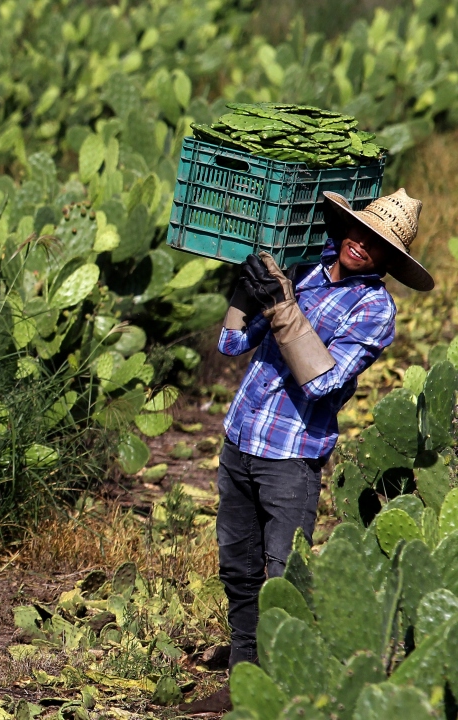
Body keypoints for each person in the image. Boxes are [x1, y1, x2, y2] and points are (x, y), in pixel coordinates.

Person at [179, 188, 433, 713]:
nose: (361, 245)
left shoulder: (373, 309)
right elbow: (231, 344)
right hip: (241, 438)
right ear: (345, 229)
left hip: (291, 456)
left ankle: (282, 692)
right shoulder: (306, 273)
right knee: (238, 569)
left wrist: (282, 309)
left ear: (390, 258)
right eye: (359, 231)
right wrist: (246, 295)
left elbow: (323, 383)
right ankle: (244, 679)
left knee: (282, 576)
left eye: (378, 242)